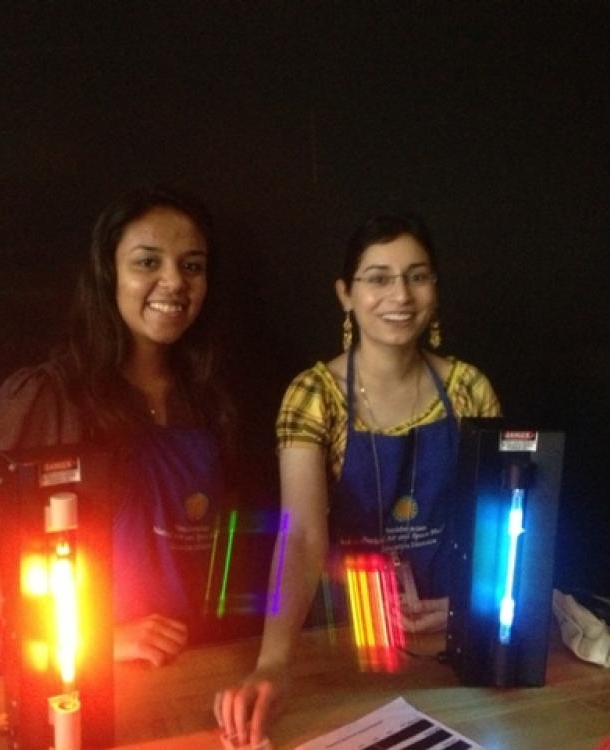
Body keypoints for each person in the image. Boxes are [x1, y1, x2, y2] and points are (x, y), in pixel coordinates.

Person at [216, 214, 501, 745]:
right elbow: (300, 537)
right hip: (349, 638)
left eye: (417, 276)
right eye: (378, 277)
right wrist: (274, 662)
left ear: (435, 288)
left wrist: (467, 608)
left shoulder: (469, 388)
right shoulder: (313, 395)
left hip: (449, 636)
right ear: (345, 294)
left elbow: (494, 522)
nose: (401, 294)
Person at [0, 185, 235, 667]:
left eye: (192, 266)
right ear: (107, 274)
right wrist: (100, 639)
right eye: (147, 262)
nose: (174, 281)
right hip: (67, 676)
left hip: (183, 668)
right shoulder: (45, 397)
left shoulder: (207, 399)